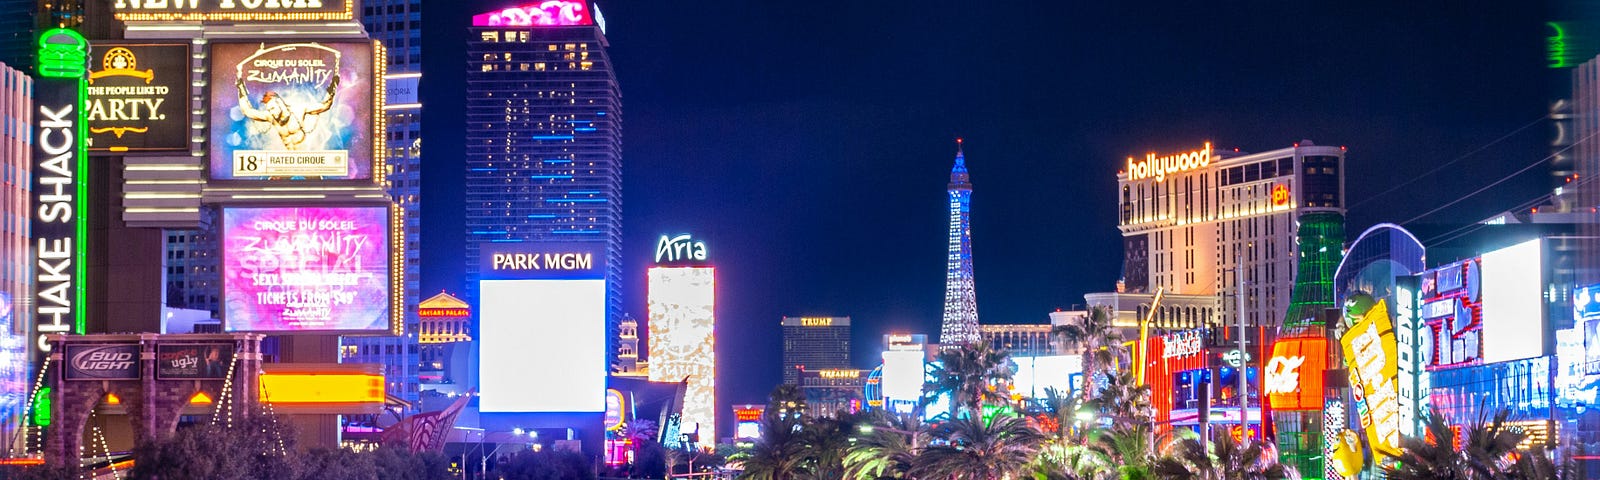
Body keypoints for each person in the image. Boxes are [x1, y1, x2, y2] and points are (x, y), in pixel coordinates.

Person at [236, 73, 340, 150]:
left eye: (272, 108)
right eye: (269, 110)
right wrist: (240, 87)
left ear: (279, 102)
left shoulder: (299, 110)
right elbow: (247, 111)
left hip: (306, 161)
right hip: (288, 161)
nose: (271, 112)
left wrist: (332, 87)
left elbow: (325, 105)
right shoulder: (270, 117)